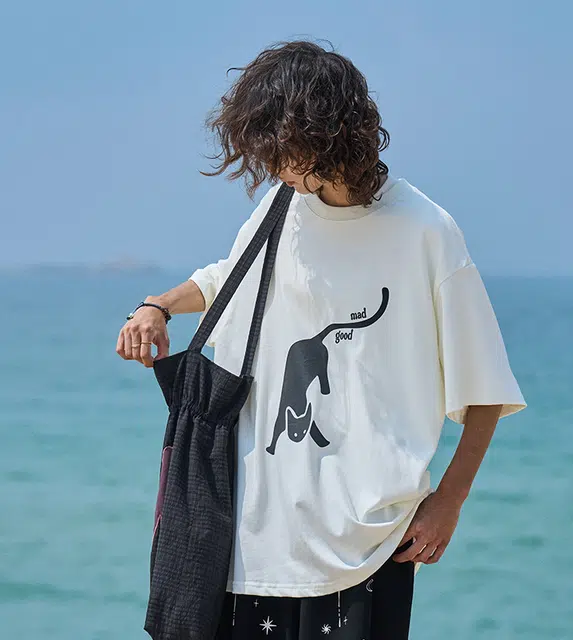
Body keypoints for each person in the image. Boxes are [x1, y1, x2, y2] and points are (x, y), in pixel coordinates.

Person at [116, 39, 526, 640]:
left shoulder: (425, 232)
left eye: (278, 148)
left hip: (367, 543)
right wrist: (157, 306)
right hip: (251, 537)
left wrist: (449, 502)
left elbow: (485, 387)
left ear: (324, 135)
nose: (269, 165)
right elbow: (229, 279)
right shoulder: (282, 205)